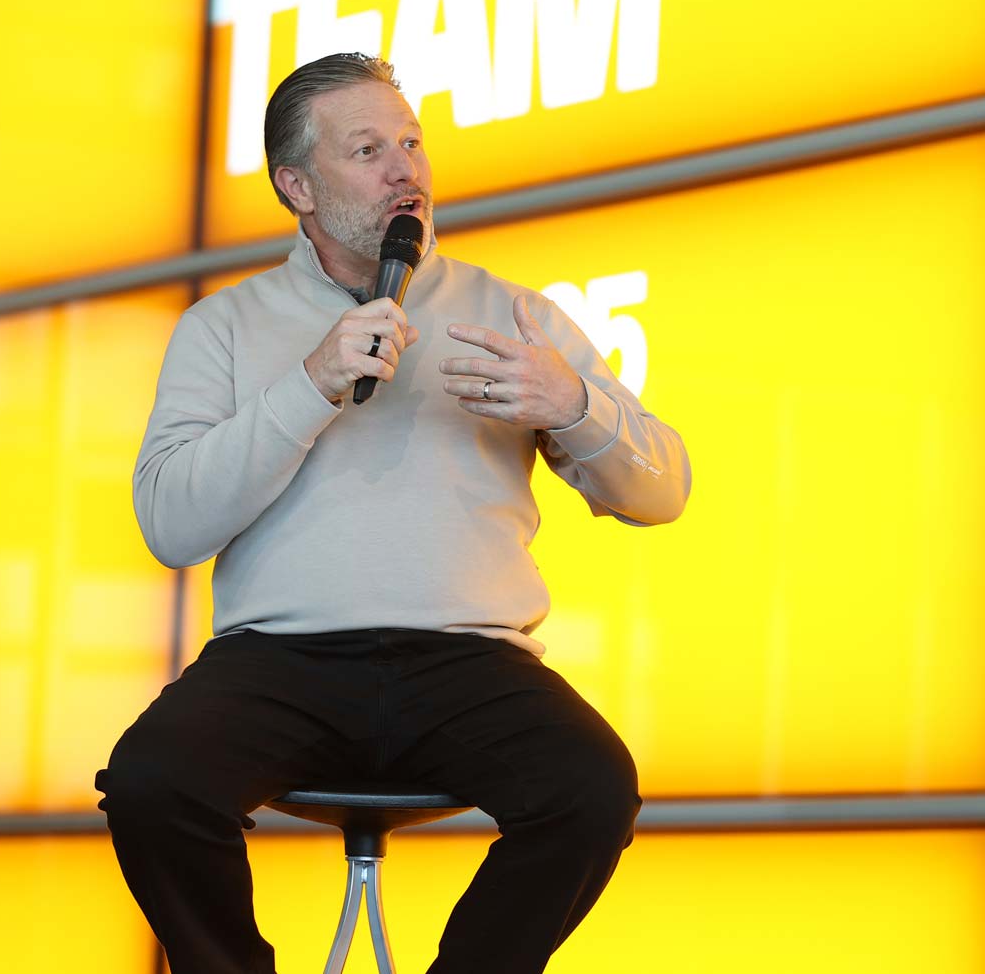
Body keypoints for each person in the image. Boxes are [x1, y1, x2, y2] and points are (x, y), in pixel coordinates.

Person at [97, 52, 690, 974]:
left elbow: (663, 493)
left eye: (410, 142)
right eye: (367, 148)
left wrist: (573, 405)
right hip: (277, 663)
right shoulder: (223, 325)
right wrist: (311, 385)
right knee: (149, 784)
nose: (405, 168)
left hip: (470, 661)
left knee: (591, 788)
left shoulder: (518, 317)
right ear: (297, 184)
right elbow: (171, 527)